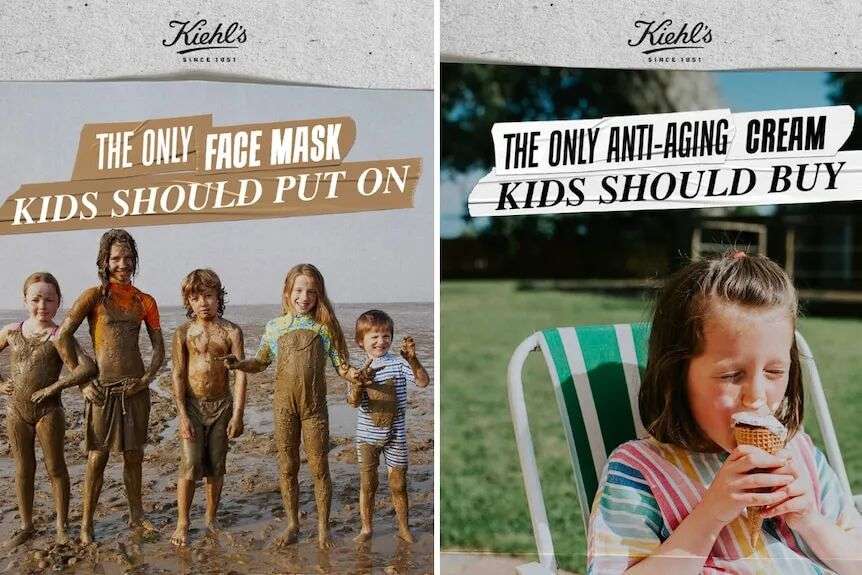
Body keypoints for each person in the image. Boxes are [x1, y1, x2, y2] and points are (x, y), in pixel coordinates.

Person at [588, 251, 862, 574]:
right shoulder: (639, 472)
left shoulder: (803, 458)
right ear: (677, 375)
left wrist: (809, 520)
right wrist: (711, 514)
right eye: (732, 376)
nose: (757, 397)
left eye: (774, 372)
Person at [223, 263, 369, 549]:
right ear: (288, 293)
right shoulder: (275, 327)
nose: (304, 297)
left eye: (311, 292)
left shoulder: (325, 327)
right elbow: (261, 362)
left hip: (315, 408)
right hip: (283, 408)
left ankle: (323, 528)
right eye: (299, 291)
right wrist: (239, 363)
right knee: (287, 467)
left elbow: (341, 366)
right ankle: (293, 524)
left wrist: (356, 374)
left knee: (319, 468)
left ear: (319, 295)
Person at [56, 229, 165, 544]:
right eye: (116, 258)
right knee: (97, 457)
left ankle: (136, 516)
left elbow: (159, 349)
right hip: (102, 389)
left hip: (135, 390)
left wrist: (145, 381)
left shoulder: (145, 301)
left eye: (128, 258)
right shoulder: (93, 296)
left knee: (134, 456)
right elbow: (63, 336)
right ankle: (86, 524)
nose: (123, 264)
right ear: (104, 261)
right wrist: (82, 380)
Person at [0, 272, 96, 548]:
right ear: (25, 300)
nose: (42, 306)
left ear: (58, 303)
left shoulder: (59, 336)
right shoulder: (11, 331)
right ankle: (26, 525)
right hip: (16, 410)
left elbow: (88, 366)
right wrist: (1, 385)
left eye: (49, 300)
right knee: (23, 469)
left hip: (49, 411)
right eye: (36, 299)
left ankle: (61, 526)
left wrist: (57, 387)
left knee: (55, 467)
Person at [170, 269, 247, 547]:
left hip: (222, 405)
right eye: (196, 297)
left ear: (219, 298)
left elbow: (240, 374)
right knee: (190, 463)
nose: (203, 302)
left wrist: (237, 414)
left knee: (216, 466)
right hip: (192, 405)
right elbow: (178, 374)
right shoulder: (183, 333)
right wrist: (181, 415)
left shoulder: (231, 331)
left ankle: (210, 517)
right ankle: (183, 521)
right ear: (188, 301)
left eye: (209, 296)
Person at [346, 310, 429, 544]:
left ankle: (403, 528)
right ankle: (366, 529)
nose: (381, 342)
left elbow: (423, 382)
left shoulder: (400, 363)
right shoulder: (357, 370)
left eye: (386, 336)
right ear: (361, 341)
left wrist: (413, 359)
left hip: (396, 436)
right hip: (367, 438)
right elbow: (352, 403)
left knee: (399, 484)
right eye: (374, 337)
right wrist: (359, 384)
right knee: (368, 484)